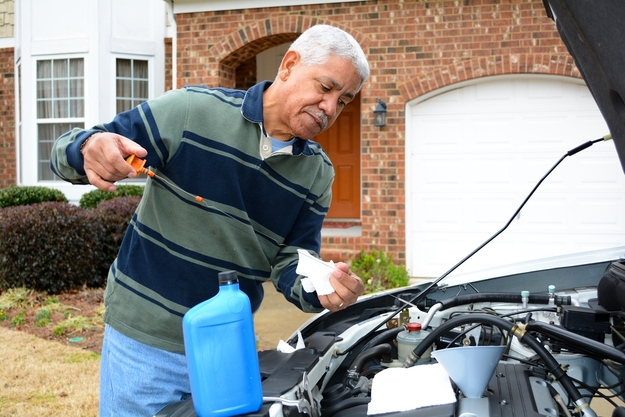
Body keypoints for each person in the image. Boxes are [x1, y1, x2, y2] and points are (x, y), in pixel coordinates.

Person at [50, 24, 370, 416]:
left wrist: (321, 288)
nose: (329, 108)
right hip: (148, 341)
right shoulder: (191, 111)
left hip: (228, 346)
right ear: (288, 65)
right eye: (326, 87)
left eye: (343, 100)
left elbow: (292, 262)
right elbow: (76, 148)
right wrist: (87, 148)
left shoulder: (317, 173)